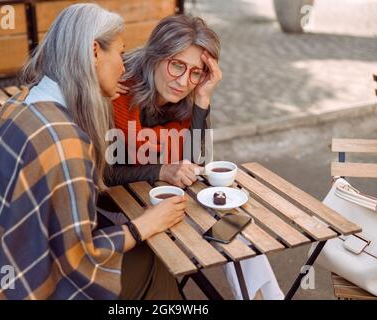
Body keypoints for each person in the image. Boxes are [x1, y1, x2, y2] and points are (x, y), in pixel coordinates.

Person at [0, 4, 186, 300]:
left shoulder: (19, 104)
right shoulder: (65, 140)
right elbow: (79, 259)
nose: (124, 67)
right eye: (120, 54)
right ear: (95, 52)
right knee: (152, 259)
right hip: (16, 288)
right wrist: (144, 225)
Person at [107, 15, 284, 300]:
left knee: (237, 229)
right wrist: (160, 170)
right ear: (156, 55)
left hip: (167, 199)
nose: (183, 81)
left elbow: (195, 162)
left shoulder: (189, 97)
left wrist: (202, 99)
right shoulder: (117, 89)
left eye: (195, 72)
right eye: (177, 64)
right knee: (219, 226)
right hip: (119, 209)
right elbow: (102, 174)